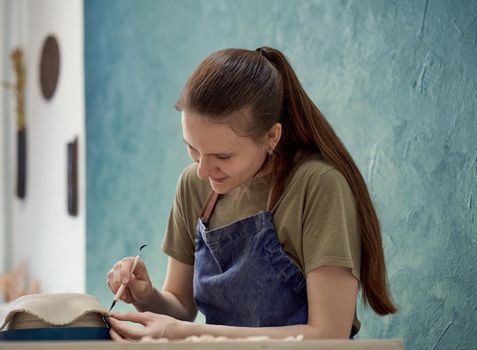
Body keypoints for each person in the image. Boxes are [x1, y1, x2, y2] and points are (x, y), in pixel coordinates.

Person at [106, 47, 397, 341]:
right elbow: (180, 307)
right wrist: (146, 295)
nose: (204, 170)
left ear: (272, 136)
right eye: (192, 148)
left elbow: (329, 334)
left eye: (223, 156)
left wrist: (189, 334)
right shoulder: (193, 184)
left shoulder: (319, 186)